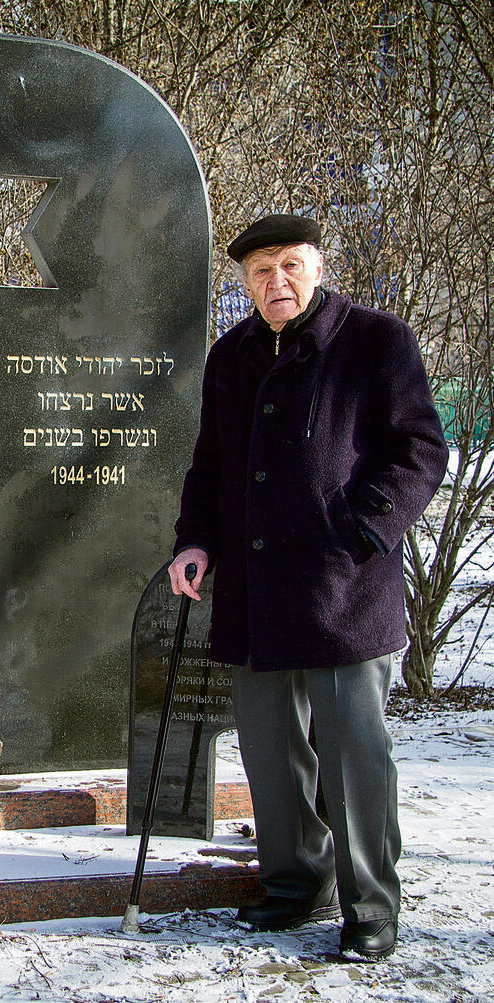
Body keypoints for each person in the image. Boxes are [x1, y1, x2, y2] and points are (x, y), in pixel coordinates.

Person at [169, 213, 448, 961]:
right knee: (270, 752)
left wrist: (360, 526)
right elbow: (209, 468)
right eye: (262, 271)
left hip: (344, 592)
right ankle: (295, 885)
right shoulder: (230, 357)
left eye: (291, 264)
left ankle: (371, 907)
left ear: (317, 268)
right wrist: (195, 541)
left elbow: (421, 446)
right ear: (247, 284)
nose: (277, 281)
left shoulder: (376, 341)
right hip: (257, 596)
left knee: (355, 754)